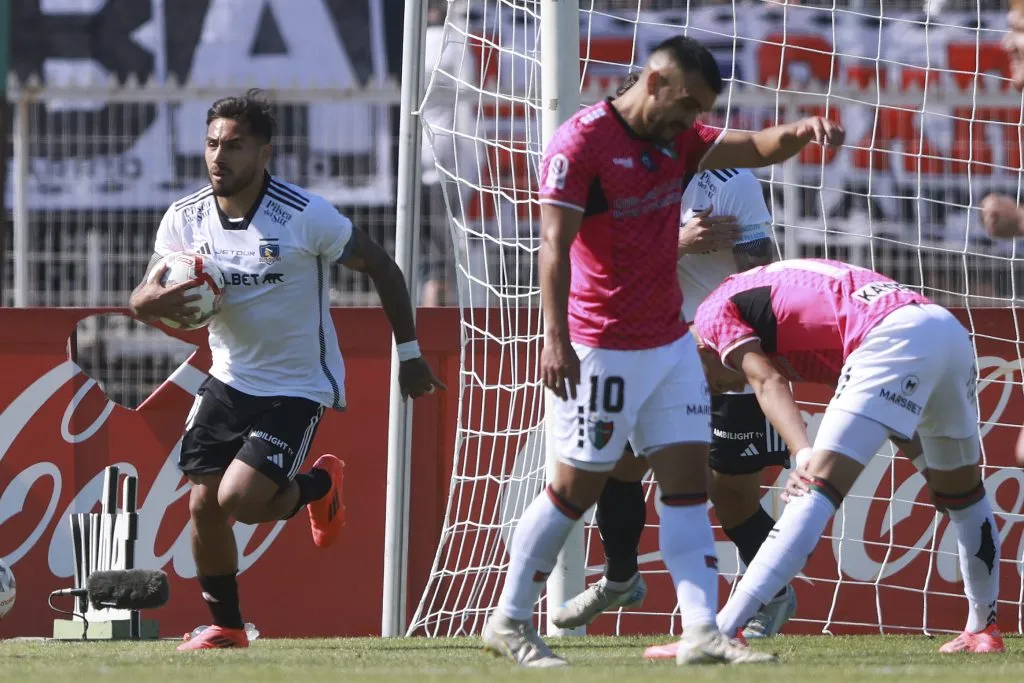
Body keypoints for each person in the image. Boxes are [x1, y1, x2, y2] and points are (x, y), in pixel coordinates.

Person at [480, 35, 843, 667]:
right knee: (574, 488)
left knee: (683, 488)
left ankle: (702, 630)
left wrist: (804, 129)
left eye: (702, 110)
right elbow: (553, 247)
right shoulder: (581, 143)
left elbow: (756, 148)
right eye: (689, 105)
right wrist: (554, 338)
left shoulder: (679, 139)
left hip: (672, 343)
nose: (693, 121)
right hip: (603, 345)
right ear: (655, 83)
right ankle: (510, 619)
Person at [129, 90, 444, 651]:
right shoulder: (185, 218)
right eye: (211, 144)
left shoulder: (304, 216)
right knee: (204, 504)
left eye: (234, 146)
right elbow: (144, 294)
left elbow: (381, 265)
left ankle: (320, 485)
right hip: (227, 378)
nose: (218, 156)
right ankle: (226, 626)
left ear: (264, 153)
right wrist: (146, 307)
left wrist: (411, 353)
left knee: (241, 502)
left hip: (298, 385)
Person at [689, 258, 1002, 654]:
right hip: (941, 328)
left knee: (813, 488)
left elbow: (766, 379)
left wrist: (803, 455)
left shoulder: (711, 313)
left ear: (695, 353)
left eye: (709, 386)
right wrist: (928, 469)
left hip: (890, 335)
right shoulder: (788, 316)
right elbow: (886, 406)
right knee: (963, 496)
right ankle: (983, 631)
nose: (721, 391)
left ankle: (721, 631)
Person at [552, 167, 799, 649]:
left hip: (725, 347)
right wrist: (676, 242)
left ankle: (774, 592)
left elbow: (758, 271)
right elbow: (599, 267)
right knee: (617, 465)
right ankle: (621, 578)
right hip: (653, 346)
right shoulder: (619, 180)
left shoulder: (732, 182)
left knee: (732, 500)